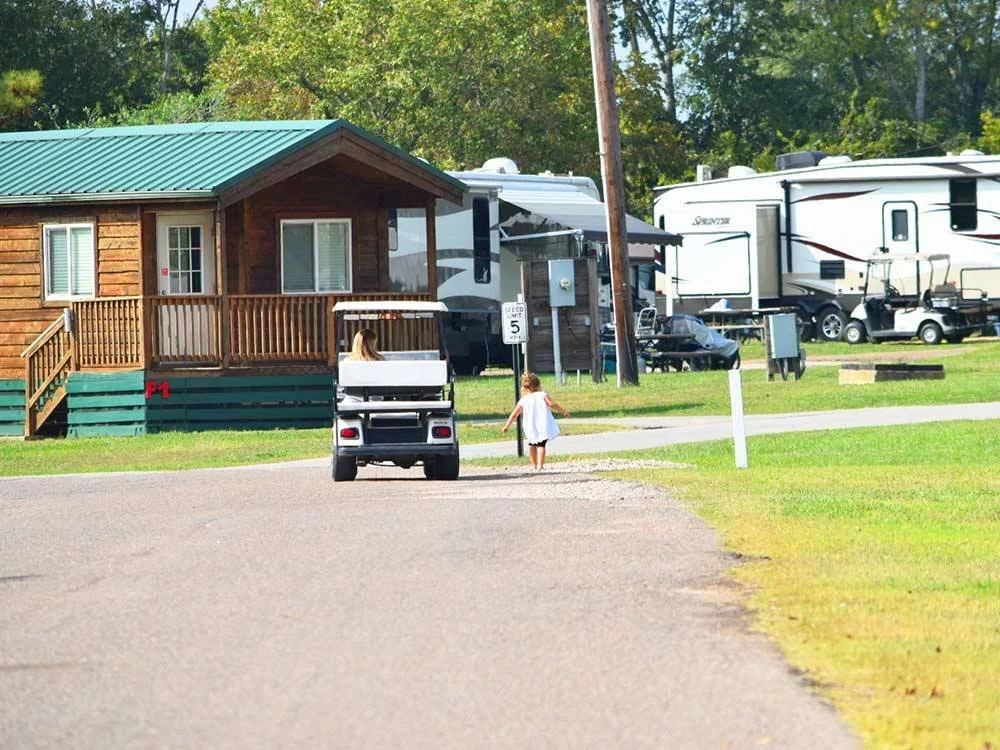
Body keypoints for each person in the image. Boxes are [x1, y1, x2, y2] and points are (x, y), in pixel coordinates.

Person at [501, 372, 571, 471]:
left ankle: (534, 465)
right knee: (541, 445)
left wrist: (506, 426)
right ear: (538, 385)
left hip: (530, 425)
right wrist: (564, 411)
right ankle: (540, 466)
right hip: (543, 424)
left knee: (532, 444)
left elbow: (514, 414)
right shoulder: (542, 395)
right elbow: (552, 404)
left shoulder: (523, 400)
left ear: (524, 387)